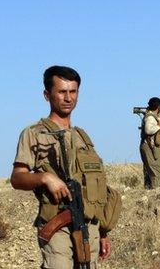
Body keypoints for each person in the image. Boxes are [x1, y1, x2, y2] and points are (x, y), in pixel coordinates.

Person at [10, 65, 121, 268]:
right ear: (47, 95)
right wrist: (45, 178)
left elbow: (96, 187)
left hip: (90, 227)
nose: (68, 98)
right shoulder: (34, 133)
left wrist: (103, 232)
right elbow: (17, 178)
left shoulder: (82, 137)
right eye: (61, 92)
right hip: (57, 226)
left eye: (73, 92)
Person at [139, 97, 160, 189]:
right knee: (155, 169)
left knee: (151, 168)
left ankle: (149, 189)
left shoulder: (151, 116)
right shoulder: (150, 117)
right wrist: (159, 126)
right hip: (149, 146)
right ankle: (156, 191)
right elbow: (148, 131)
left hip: (150, 145)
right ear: (158, 107)